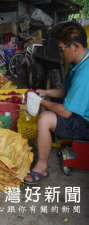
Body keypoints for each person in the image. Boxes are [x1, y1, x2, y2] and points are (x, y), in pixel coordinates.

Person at [24, 21, 89, 185]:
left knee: (45, 117)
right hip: (80, 111)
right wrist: (45, 93)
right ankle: (42, 139)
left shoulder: (85, 73)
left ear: (74, 46)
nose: (60, 54)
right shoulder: (78, 64)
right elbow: (65, 90)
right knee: (46, 100)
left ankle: (42, 167)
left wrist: (42, 103)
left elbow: (66, 112)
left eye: (61, 49)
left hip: (85, 123)